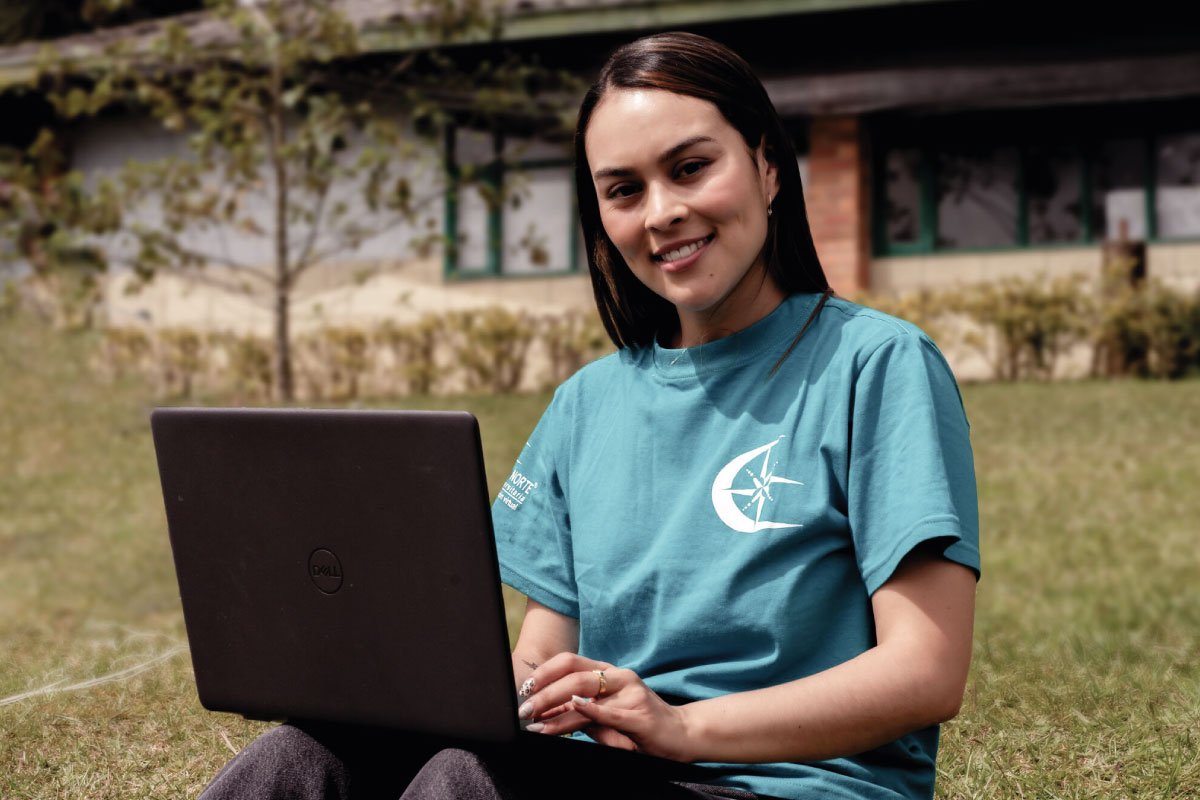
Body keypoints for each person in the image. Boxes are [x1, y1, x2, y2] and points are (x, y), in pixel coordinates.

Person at [199, 31, 979, 800]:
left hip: (782, 786)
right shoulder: (586, 403)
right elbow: (539, 661)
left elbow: (925, 672)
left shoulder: (874, 365)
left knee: (467, 784)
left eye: (691, 168)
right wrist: (384, 692)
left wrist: (681, 728)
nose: (663, 212)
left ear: (769, 167)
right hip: (607, 772)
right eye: (624, 189)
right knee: (300, 761)